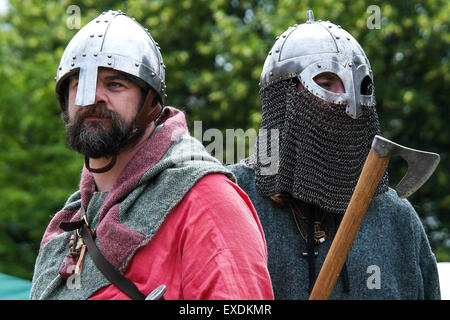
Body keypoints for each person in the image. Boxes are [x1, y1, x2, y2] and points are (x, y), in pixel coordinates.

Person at [29, 10, 273, 300]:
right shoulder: (68, 223)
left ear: (150, 103)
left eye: (115, 84)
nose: (94, 96)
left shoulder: (206, 200)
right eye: (79, 83)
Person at [229, 10, 441, 299]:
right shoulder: (233, 202)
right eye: (326, 84)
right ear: (284, 96)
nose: (347, 101)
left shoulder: (396, 219)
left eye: (360, 86)